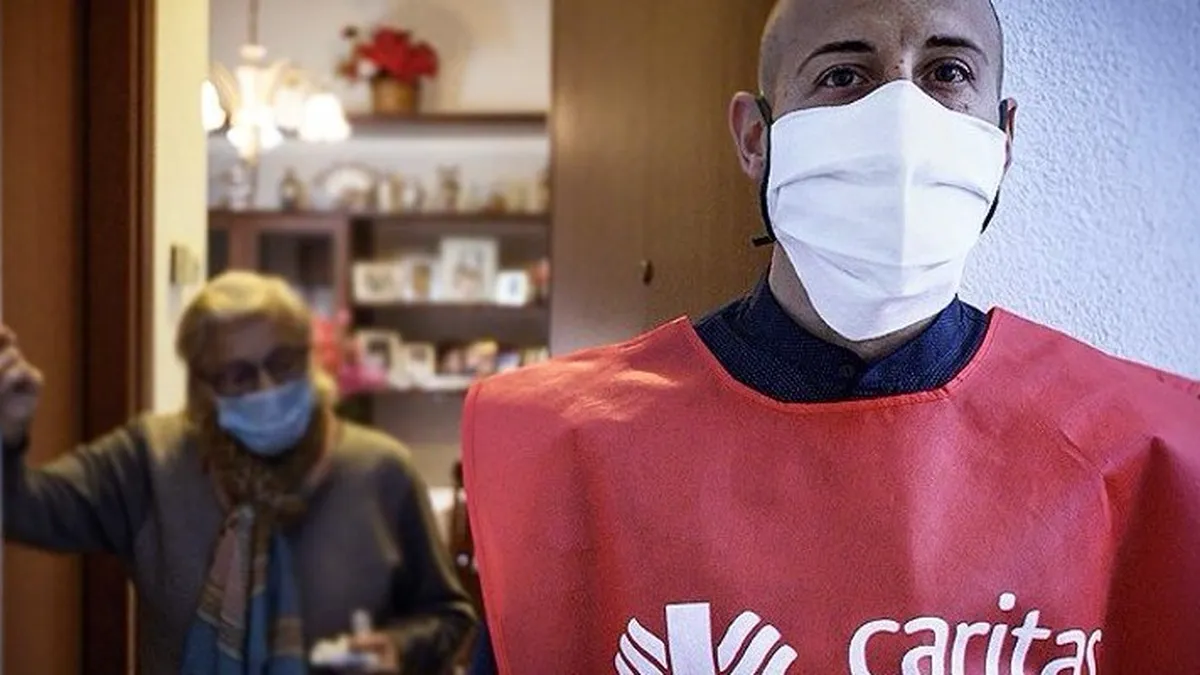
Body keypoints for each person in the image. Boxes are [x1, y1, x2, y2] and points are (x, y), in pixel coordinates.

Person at [462, 0, 1200, 672]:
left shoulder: (1151, 453)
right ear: (757, 137)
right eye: (844, 75)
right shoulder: (567, 451)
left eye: (947, 73)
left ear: (1002, 138)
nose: (901, 119)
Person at [0, 271, 475, 674]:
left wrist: (399, 649)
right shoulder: (150, 461)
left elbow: (450, 616)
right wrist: (6, 434)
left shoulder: (380, 470)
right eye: (238, 375)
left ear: (308, 359)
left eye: (282, 363)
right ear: (203, 386)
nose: (266, 387)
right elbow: (22, 511)